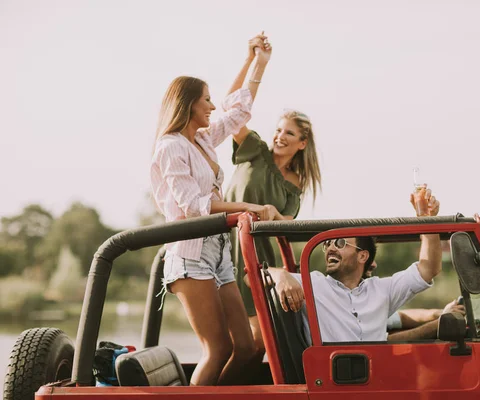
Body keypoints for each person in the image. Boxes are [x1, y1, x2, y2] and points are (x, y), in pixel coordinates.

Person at [150, 33, 277, 386]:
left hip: (218, 252)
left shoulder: (202, 139)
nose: (211, 106)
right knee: (218, 349)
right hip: (190, 255)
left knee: (249, 347)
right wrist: (247, 207)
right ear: (188, 104)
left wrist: (256, 61)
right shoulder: (171, 146)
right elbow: (193, 206)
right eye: (206, 100)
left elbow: (237, 110)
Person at [254, 187, 442, 343]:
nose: (330, 249)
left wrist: (427, 220)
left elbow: (428, 268)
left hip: (377, 374)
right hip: (333, 378)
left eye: (340, 243)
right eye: (327, 243)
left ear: (362, 256)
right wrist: (280, 275)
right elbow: (250, 278)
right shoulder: (313, 284)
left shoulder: (381, 290)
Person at [225, 105, 322, 354]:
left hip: (256, 256)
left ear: (302, 143)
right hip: (224, 245)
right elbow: (231, 111)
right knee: (233, 343)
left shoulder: (295, 182)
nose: (280, 137)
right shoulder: (255, 150)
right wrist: (254, 64)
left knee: (259, 345)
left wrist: (274, 213)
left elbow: (286, 224)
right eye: (278, 130)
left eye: (289, 133)